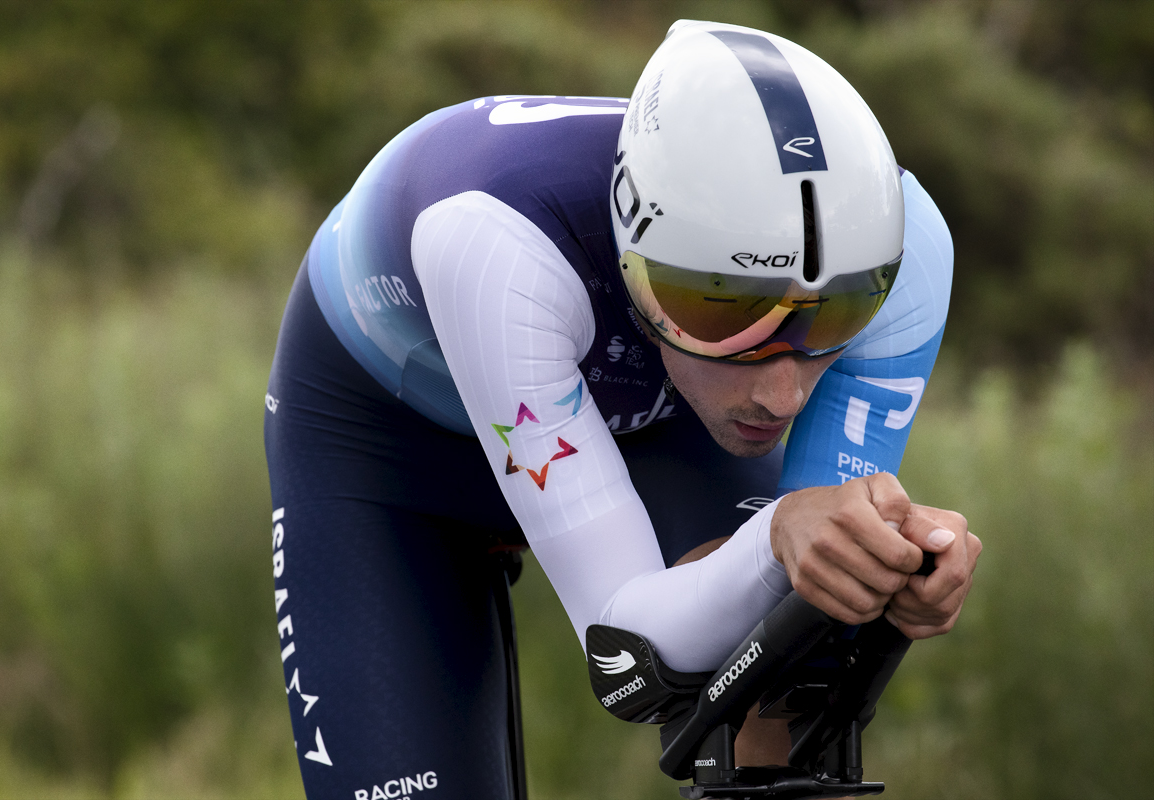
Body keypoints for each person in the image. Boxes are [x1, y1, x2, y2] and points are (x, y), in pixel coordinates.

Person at [263, 19, 981, 799]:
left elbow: (812, 581)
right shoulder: (497, 248)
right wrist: (778, 535)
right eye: (722, 312)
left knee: (788, 677)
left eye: (834, 319)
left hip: (654, 409)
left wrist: (886, 566)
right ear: (631, 260)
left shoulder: (908, 254)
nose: (784, 393)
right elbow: (628, 658)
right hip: (385, 434)